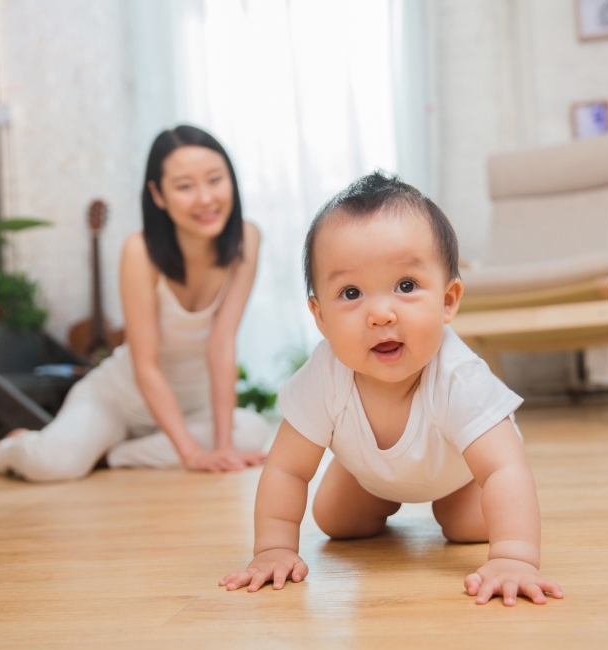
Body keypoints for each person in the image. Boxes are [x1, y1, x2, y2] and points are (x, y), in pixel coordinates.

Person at [219, 172, 563, 606]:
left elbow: (503, 468)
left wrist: (515, 557)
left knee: (468, 527)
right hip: (370, 474)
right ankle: (368, 476)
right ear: (320, 316)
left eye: (406, 286)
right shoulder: (326, 373)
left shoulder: (456, 375)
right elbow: (287, 469)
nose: (380, 313)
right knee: (335, 522)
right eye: (350, 292)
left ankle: (452, 501)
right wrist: (273, 549)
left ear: (448, 300)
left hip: (459, 473)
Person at [0, 125, 270, 481]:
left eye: (215, 180)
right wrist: (192, 454)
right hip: (119, 401)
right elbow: (145, 366)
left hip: (192, 406)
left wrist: (223, 447)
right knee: (52, 466)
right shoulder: (140, 251)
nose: (206, 198)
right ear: (158, 195)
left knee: (252, 431)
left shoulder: (247, 238)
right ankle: (11, 447)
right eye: (185, 186)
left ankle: (111, 455)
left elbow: (222, 343)